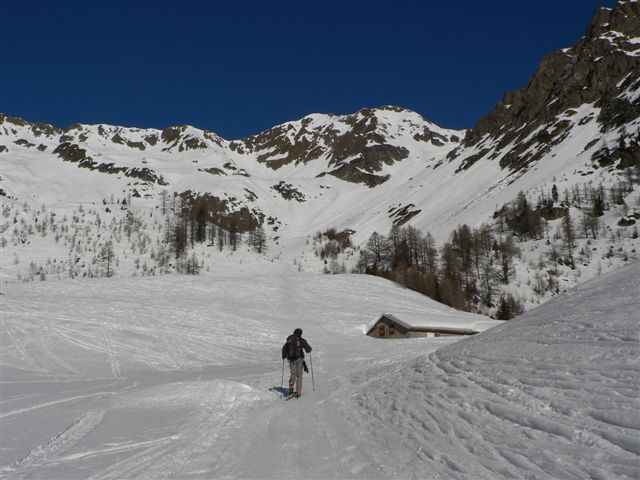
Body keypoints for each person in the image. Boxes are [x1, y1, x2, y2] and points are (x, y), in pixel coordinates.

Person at [282, 328, 312, 397]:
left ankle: (291, 385)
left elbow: (284, 349)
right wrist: (310, 348)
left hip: (291, 360)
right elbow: (308, 350)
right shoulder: (302, 340)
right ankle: (298, 391)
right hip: (299, 359)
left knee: (293, 374)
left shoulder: (290, 340)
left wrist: (284, 356)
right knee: (299, 375)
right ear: (301, 333)